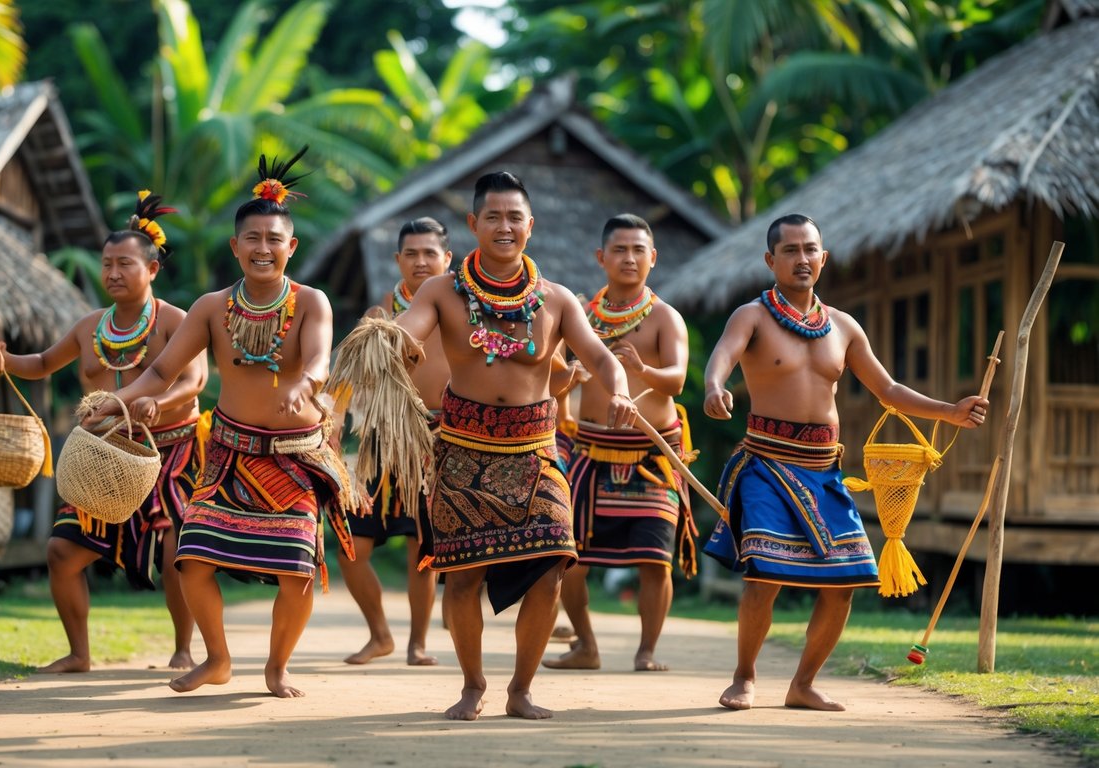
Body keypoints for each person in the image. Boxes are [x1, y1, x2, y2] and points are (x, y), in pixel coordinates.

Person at [86, 147, 357, 699]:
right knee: (191, 560)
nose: (262, 249)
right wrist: (116, 403)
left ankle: (277, 666)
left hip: (296, 455)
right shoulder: (211, 307)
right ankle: (217, 659)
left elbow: (319, 361)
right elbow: (162, 370)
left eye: (273, 240)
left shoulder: (312, 302)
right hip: (230, 453)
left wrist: (306, 385)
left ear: (291, 247)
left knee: (296, 570)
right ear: (236, 247)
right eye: (251, 240)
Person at [702, 213, 988, 711]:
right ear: (771, 260)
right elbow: (722, 356)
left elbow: (888, 390)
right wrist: (713, 387)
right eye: (789, 250)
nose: (802, 259)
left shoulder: (844, 327)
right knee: (763, 576)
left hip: (825, 469)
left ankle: (803, 683)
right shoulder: (751, 316)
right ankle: (744, 677)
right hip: (766, 465)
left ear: (824, 257)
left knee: (847, 582)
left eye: (810, 249)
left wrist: (951, 411)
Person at [389, 171, 638, 720]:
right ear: (474, 224)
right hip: (461, 449)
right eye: (493, 217)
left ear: (531, 225)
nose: (505, 227)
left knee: (552, 566)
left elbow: (600, 357)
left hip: (534, 451)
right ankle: (473, 685)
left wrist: (619, 390)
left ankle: (521, 689)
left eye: (515, 217)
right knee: (463, 577)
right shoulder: (442, 290)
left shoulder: (556, 299)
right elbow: (407, 332)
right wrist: (385, 346)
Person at [0, 192, 207, 673]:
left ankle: (184, 648)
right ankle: (80, 654)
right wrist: (6, 362)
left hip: (170, 455)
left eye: (125, 263)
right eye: (107, 264)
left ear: (152, 270)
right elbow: (42, 363)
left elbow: (194, 381)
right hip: (101, 459)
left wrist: (155, 403)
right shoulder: (89, 327)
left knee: (175, 552)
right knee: (61, 551)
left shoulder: (176, 323)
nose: (113, 273)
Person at [544, 213, 694, 674]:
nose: (629, 258)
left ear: (653, 257)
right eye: (619, 250)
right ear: (601, 257)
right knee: (568, 558)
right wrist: (563, 379)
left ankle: (646, 651)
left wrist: (644, 372)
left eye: (638, 250)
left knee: (656, 561)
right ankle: (585, 645)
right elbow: (550, 371)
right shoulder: (580, 316)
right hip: (588, 450)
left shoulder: (666, 317)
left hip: (652, 457)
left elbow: (679, 379)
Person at [338, 217, 451, 666]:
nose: (421, 261)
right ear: (398, 259)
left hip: (442, 440)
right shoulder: (378, 315)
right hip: (383, 442)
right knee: (350, 545)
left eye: (430, 253)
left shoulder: (459, 308)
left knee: (423, 549)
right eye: (412, 254)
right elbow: (345, 379)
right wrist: (332, 423)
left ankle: (417, 642)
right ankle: (379, 634)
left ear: (447, 258)